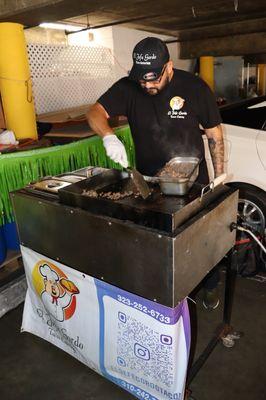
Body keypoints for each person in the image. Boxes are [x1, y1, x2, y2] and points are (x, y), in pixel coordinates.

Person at [87, 37, 224, 310]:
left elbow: (214, 134)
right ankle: (167, 291)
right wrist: (108, 136)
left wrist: (219, 178)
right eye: (142, 80)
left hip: (194, 182)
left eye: (154, 79)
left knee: (203, 240)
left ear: (169, 67)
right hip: (150, 186)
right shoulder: (128, 88)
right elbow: (94, 112)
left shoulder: (194, 87)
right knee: (160, 242)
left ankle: (208, 285)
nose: (148, 85)